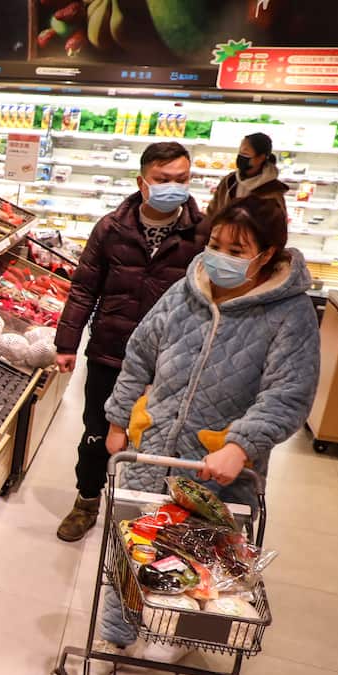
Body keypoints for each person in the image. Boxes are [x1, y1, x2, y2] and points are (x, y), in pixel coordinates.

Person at [82, 195, 320, 675]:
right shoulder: (187, 289)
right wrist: (118, 419)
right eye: (215, 243)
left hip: (214, 465)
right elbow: (140, 354)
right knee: (132, 544)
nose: (220, 256)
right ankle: (114, 636)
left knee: (196, 554)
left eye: (237, 248)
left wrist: (241, 444)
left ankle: (172, 635)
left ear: (270, 254)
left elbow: (289, 393)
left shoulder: (290, 315)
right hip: (152, 448)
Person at [54, 141, 207, 543]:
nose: (173, 187)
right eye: (163, 180)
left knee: (161, 440)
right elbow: (84, 288)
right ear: (143, 182)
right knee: (96, 435)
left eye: (182, 179)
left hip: (172, 360)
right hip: (111, 351)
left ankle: (150, 513)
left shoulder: (203, 234)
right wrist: (67, 342)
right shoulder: (111, 228)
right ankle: (86, 501)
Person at [202, 133, 289, 235]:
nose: (240, 157)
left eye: (246, 154)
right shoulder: (229, 181)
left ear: (261, 158)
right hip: (221, 238)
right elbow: (212, 211)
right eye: (240, 153)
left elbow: (276, 228)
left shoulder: (272, 190)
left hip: (251, 245)